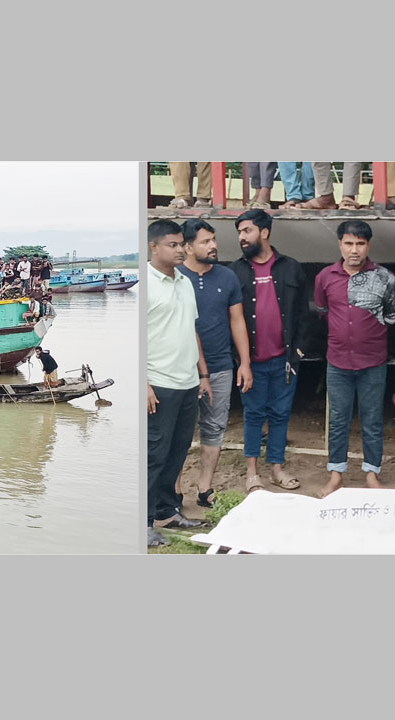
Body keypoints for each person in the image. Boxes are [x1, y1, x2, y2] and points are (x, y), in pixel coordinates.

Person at [314, 220, 395, 497]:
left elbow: (392, 316)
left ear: (368, 246)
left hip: (373, 361)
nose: (354, 250)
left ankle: (372, 473)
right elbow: (323, 311)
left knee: (372, 418)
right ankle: (336, 474)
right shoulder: (325, 277)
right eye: (349, 243)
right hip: (337, 361)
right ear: (340, 244)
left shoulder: (387, 278)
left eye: (360, 244)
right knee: (338, 419)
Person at [229, 209, 311, 493]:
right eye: (239, 232)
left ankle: (276, 468)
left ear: (264, 232)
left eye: (247, 230)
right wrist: (241, 362)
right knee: (253, 414)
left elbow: (303, 312)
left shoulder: (290, 267)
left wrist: (298, 352)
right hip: (250, 364)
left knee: (280, 414)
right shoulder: (234, 272)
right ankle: (252, 473)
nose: (242, 237)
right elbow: (229, 319)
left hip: (284, 360)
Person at [177, 219, 252, 508]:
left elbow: (237, 321)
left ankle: (205, 489)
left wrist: (244, 363)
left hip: (221, 366)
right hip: (181, 368)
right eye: (205, 241)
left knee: (214, 428)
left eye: (213, 240)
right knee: (180, 432)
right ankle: (175, 490)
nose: (213, 246)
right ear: (188, 246)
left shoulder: (227, 277)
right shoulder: (176, 278)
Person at [146, 219, 209, 547]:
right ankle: (141, 523)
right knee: (153, 454)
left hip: (186, 383)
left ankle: (166, 512)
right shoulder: (146, 284)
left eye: (182, 244)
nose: (181, 250)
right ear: (154, 247)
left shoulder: (184, 281)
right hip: (159, 383)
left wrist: (202, 375)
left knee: (177, 452)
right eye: (173, 245)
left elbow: (191, 330)